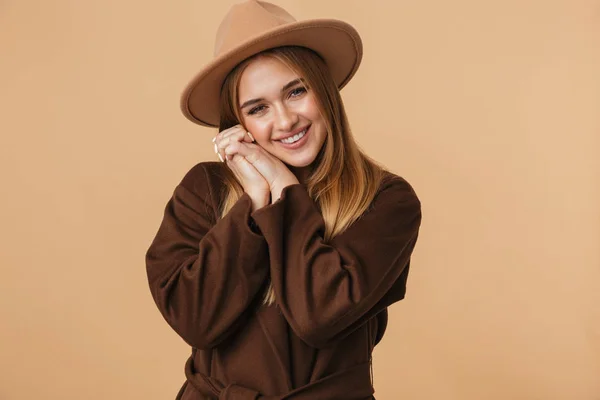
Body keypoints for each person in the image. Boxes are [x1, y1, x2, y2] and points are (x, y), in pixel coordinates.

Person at [145, 1, 422, 398]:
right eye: (258, 108)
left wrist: (282, 188)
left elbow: (319, 318)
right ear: (238, 125)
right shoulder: (204, 190)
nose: (286, 120)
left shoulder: (384, 200)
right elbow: (195, 320)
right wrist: (255, 204)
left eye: (295, 91)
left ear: (324, 92)